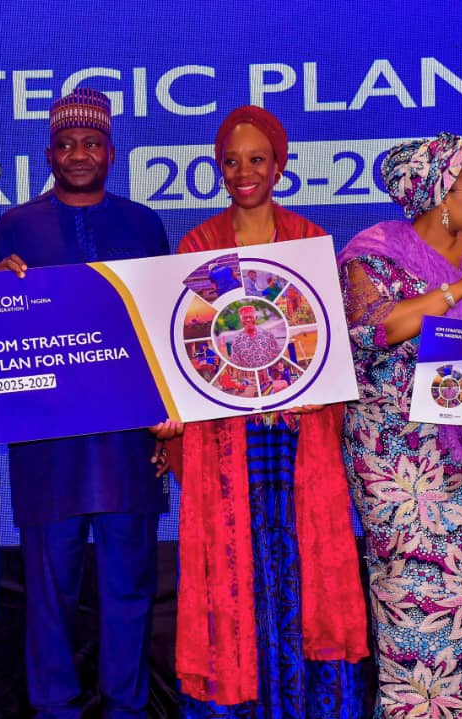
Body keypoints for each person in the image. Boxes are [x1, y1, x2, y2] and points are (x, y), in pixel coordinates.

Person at [167, 106, 368, 717]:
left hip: (300, 441)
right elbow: (191, 347)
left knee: (307, 575)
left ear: (279, 165)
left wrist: (321, 383)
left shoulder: (309, 242)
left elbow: (325, 342)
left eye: (257, 159)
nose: (244, 172)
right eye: (232, 162)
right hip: (227, 445)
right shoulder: (200, 247)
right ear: (219, 169)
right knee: (234, 577)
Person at [0, 88, 170, 718]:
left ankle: (127, 708)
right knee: (49, 594)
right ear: (49, 155)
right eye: (66, 144)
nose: (79, 154)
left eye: (91, 142)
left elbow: (163, 332)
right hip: (49, 450)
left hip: (129, 446)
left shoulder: (144, 225)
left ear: (112, 152)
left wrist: (167, 428)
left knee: (129, 591)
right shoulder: (13, 229)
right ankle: (54, 709)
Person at [338, 132, 462, 719]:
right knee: (410, 606)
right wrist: (455, 290)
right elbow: (374, 329)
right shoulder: (372, 255)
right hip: (398, 464)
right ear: (442, 196)